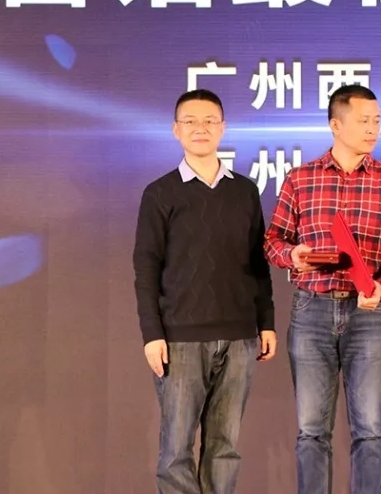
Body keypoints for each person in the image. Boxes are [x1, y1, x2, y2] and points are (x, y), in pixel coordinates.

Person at [264, 84, 381, 494]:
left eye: (377, 121)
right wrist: (293, 255)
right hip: (312, 310)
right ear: (336, 125)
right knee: (311, 430)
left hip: (371, 315)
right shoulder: (301, 179)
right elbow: (273, 240)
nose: (372, 129)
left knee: (370, 429)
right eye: (363, 121)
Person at [132, 88, 277, 494]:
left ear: (223, 128)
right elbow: (146, 267)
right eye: (191, 121)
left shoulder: (244, 191)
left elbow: (258, 261)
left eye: (210, 120)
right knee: (176, 452)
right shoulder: (160, 193)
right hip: (180, 338)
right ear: (176, 130)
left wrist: (266, 322)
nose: (201, 128)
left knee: (225, 448)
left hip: (240, 338)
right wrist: (152, 334)